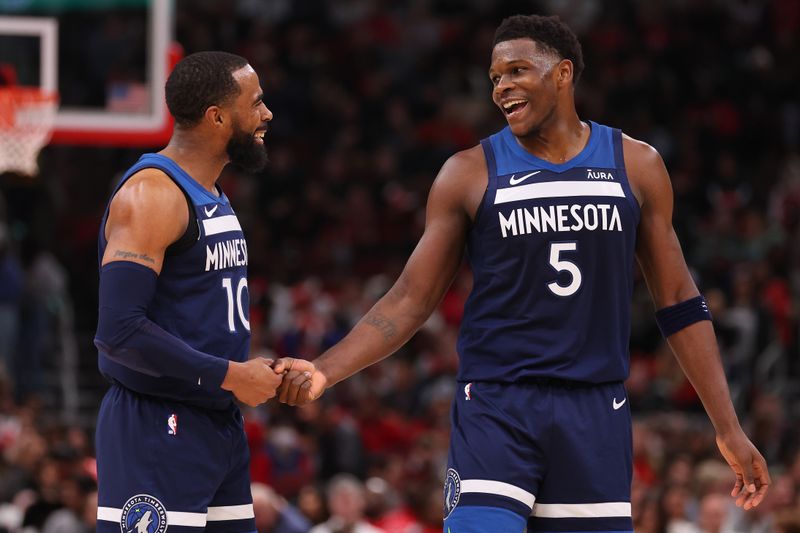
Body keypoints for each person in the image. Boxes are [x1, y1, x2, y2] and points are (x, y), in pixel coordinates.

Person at [275, 14, 771, 533]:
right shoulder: (469, 171)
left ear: (562, 74)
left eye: (516, 71)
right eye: (494, 78)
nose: (501, 87)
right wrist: (326, 370)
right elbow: (408, 299)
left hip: (595, 408)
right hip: (498, 403)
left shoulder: (636, 164)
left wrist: (727, 427)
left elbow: (677, 299)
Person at [93, 51, 284, 533]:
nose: (267, 114)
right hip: (156, 423)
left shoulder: (212, 194)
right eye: (256, 103)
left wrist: (255, 371)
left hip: (216, 420)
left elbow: (199, 321)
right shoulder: (153, 195)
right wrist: (230, 375)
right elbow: (118, 330)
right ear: (217, 117)